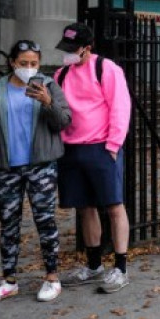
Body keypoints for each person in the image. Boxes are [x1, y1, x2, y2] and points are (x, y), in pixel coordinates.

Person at [53, 23, 132, 294]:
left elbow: (120, 108)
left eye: (73, 50)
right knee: (84, 208)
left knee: (113, 206)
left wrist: (113, 146)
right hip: (71, 148)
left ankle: (120, 267)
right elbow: (58, 110)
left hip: (101, 147)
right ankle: (94, 264)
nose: (68, 55)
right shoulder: (61, 74)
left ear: (87, 49)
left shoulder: (107, 69)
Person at [0, 40, 71, 302]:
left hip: (41, 166)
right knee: (8, 224)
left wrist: (48, 102)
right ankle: (9, 280)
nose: (29, 68)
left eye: (34, 63)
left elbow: (64, 120)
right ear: (12, 63)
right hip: (6, 168)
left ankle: (52, 278)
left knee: (45, 221)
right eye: (23, 63)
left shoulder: (48, 85)